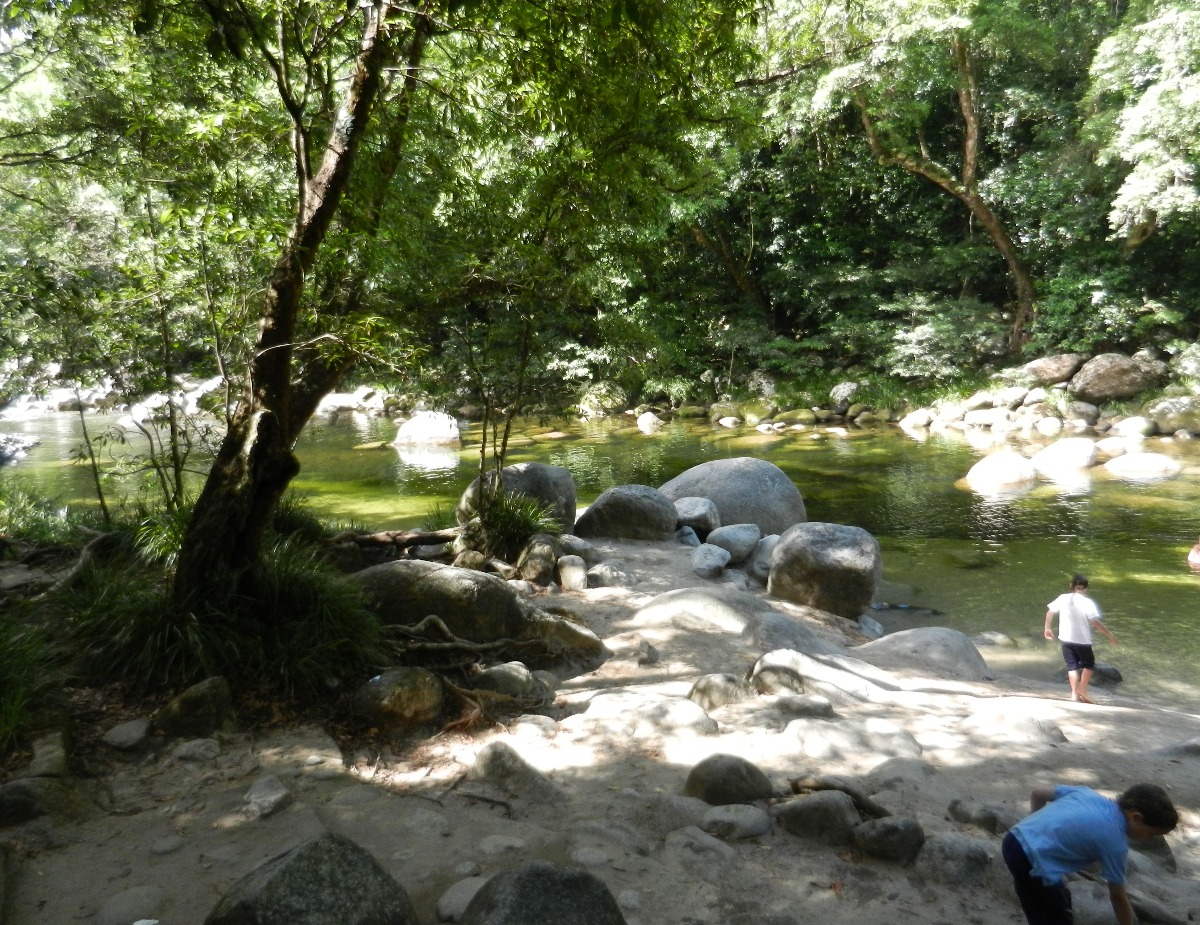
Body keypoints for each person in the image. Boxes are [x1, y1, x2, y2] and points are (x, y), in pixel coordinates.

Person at [1003, 783, 1179, 925]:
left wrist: (1036, 832)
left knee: (1042, 897)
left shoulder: (1086, 794)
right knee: (1053, 916)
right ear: (1136, 818)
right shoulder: (1115, 843)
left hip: (1014, 838)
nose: (1149, 839)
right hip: (1030, 860)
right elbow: (1117, 896)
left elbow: (1038, 793)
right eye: (1151, 834)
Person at [1044, 574, 1117, 703]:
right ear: (1086, 588)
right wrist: (1109, 635)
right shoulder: (1087, 602)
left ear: (1070, 586)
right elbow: (1094, 622)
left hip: (1065, 638)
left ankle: (1074, 695)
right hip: (1082, 640)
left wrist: (1047, 628)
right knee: (1089, 665)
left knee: (1072, 666)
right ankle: (1082, 689)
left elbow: (1050, 612)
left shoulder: (1063, 598)